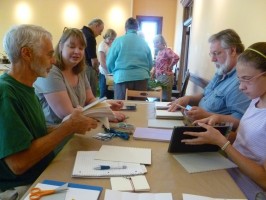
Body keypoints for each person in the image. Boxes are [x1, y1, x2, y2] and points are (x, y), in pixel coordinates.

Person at [0, 24, 97, 199]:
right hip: (23, 186)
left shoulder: (26, 87)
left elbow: (34, 132)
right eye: (49, 54)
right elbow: (18, 164)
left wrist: (70, 125)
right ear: (27, 54)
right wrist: (68, 127)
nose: (53, 61)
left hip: (44, 170)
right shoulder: (6, 93)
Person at [182, 42, 266, 199]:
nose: (241, 87)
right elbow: (245, 141)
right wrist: (218, 132)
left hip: (250, 187)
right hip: (231, 168)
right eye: (239, 80)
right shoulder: (256, 102)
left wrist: (223, 143)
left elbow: (263, 179)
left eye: (246, 79)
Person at [34, 28, 126, 129]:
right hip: (56, 133)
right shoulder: (51, 71)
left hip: (78, 128)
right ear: (61, 46)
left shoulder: (80, 70)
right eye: (72, 46)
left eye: (81, 48)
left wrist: (106, 105)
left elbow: (90, 99)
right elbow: (66, 114)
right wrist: (104, 114)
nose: (77, 51)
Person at [169, 29, 250, 129]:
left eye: (216, 53)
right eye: (212, 54)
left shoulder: (240, 81)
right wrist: (187, 99)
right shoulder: (221, 72)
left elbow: (240, 121)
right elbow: (204, 95)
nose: (212, 59)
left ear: (233, 51)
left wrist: (208, 116)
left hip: (209, 133)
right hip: (193, 122)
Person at [107, 17, 153, 100]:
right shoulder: (144, 42)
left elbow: (109, 62)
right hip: (141, 78)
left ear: (125, 28)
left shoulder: (118, 41)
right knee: (139, 108)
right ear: (137, 28)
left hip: (122, 78)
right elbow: (150, 63)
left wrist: (114, 72)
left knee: (121, 107)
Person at [151, 34, 179, 101]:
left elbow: (176, 57)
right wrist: (153, 73)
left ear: (162, 42)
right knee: (160, 96)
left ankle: (165, 110)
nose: (155, 44)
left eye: (157, 42)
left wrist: (170, 66)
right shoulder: (159, 52)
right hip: (160, 77)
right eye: (154, 43)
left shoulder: (167, 50)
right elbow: (157, 65)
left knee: (164, 98)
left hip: (166, 76)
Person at [82, 18, 104, 96]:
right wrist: (97, 70)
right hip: (88, 69)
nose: (100, 34)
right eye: (100, 30)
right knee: (91, 95)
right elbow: (93, 61)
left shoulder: (81, 32)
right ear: (96, 25)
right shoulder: (90, 37)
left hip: (80, 68)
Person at [98, 29, 117, 98]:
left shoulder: (111, 45)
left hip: (111, 73)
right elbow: (102, 63)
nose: (111, 41)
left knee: (111, 94)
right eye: (110, 39)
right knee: (104, 94)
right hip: (104, 73)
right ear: (106, 36)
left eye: (113, 39)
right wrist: (111, 70)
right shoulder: (102, 45)